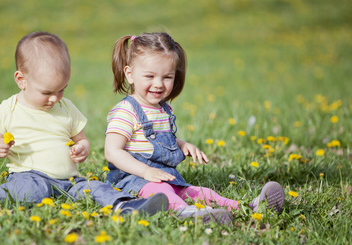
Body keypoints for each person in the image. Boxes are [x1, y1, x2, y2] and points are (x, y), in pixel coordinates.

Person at [0, 31, 169, 216]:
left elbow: (81, 139)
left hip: (70, 179)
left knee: (95, 187)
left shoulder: (66, 108)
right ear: (21, 80)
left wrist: (82, 149)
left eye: (61, 89)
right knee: (29, 192)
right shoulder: (8, 110)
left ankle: (127, 206)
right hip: (30, 176)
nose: (55, 98)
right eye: (47, 92)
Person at [104, 32, 285, 224]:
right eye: (150, 76)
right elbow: (112, 151)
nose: (158, 84)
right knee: (164, 192)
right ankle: (188, 213)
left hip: (164, 177)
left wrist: (182, 145)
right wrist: (145, 172)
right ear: (129, 74)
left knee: (201, 192)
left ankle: (249, 207)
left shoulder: (163, 109)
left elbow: (154, 141)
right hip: (133, 181)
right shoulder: (126, 111)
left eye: (167, 77)